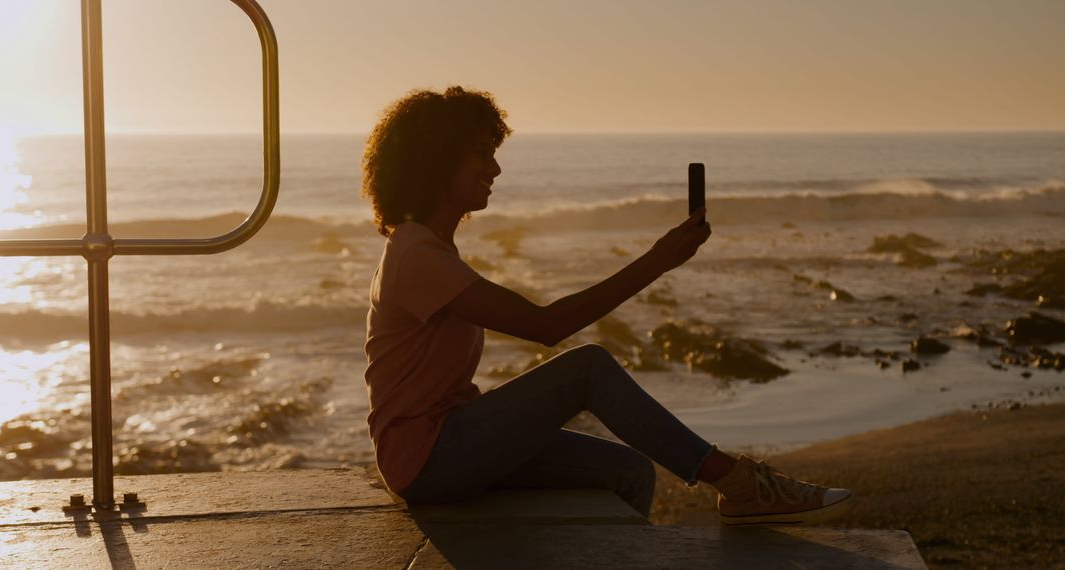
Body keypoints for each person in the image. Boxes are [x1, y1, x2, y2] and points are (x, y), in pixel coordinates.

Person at [360, 86, 852, 524]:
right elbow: (546, 325)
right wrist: (658, 260)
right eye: (481, 153)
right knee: (586, 369)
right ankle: (741, 483)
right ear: (437, 159)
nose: (495, 168)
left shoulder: (430, 250)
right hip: (427, 458)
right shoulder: (416, 254)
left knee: (630, 472)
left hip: (450, 442)